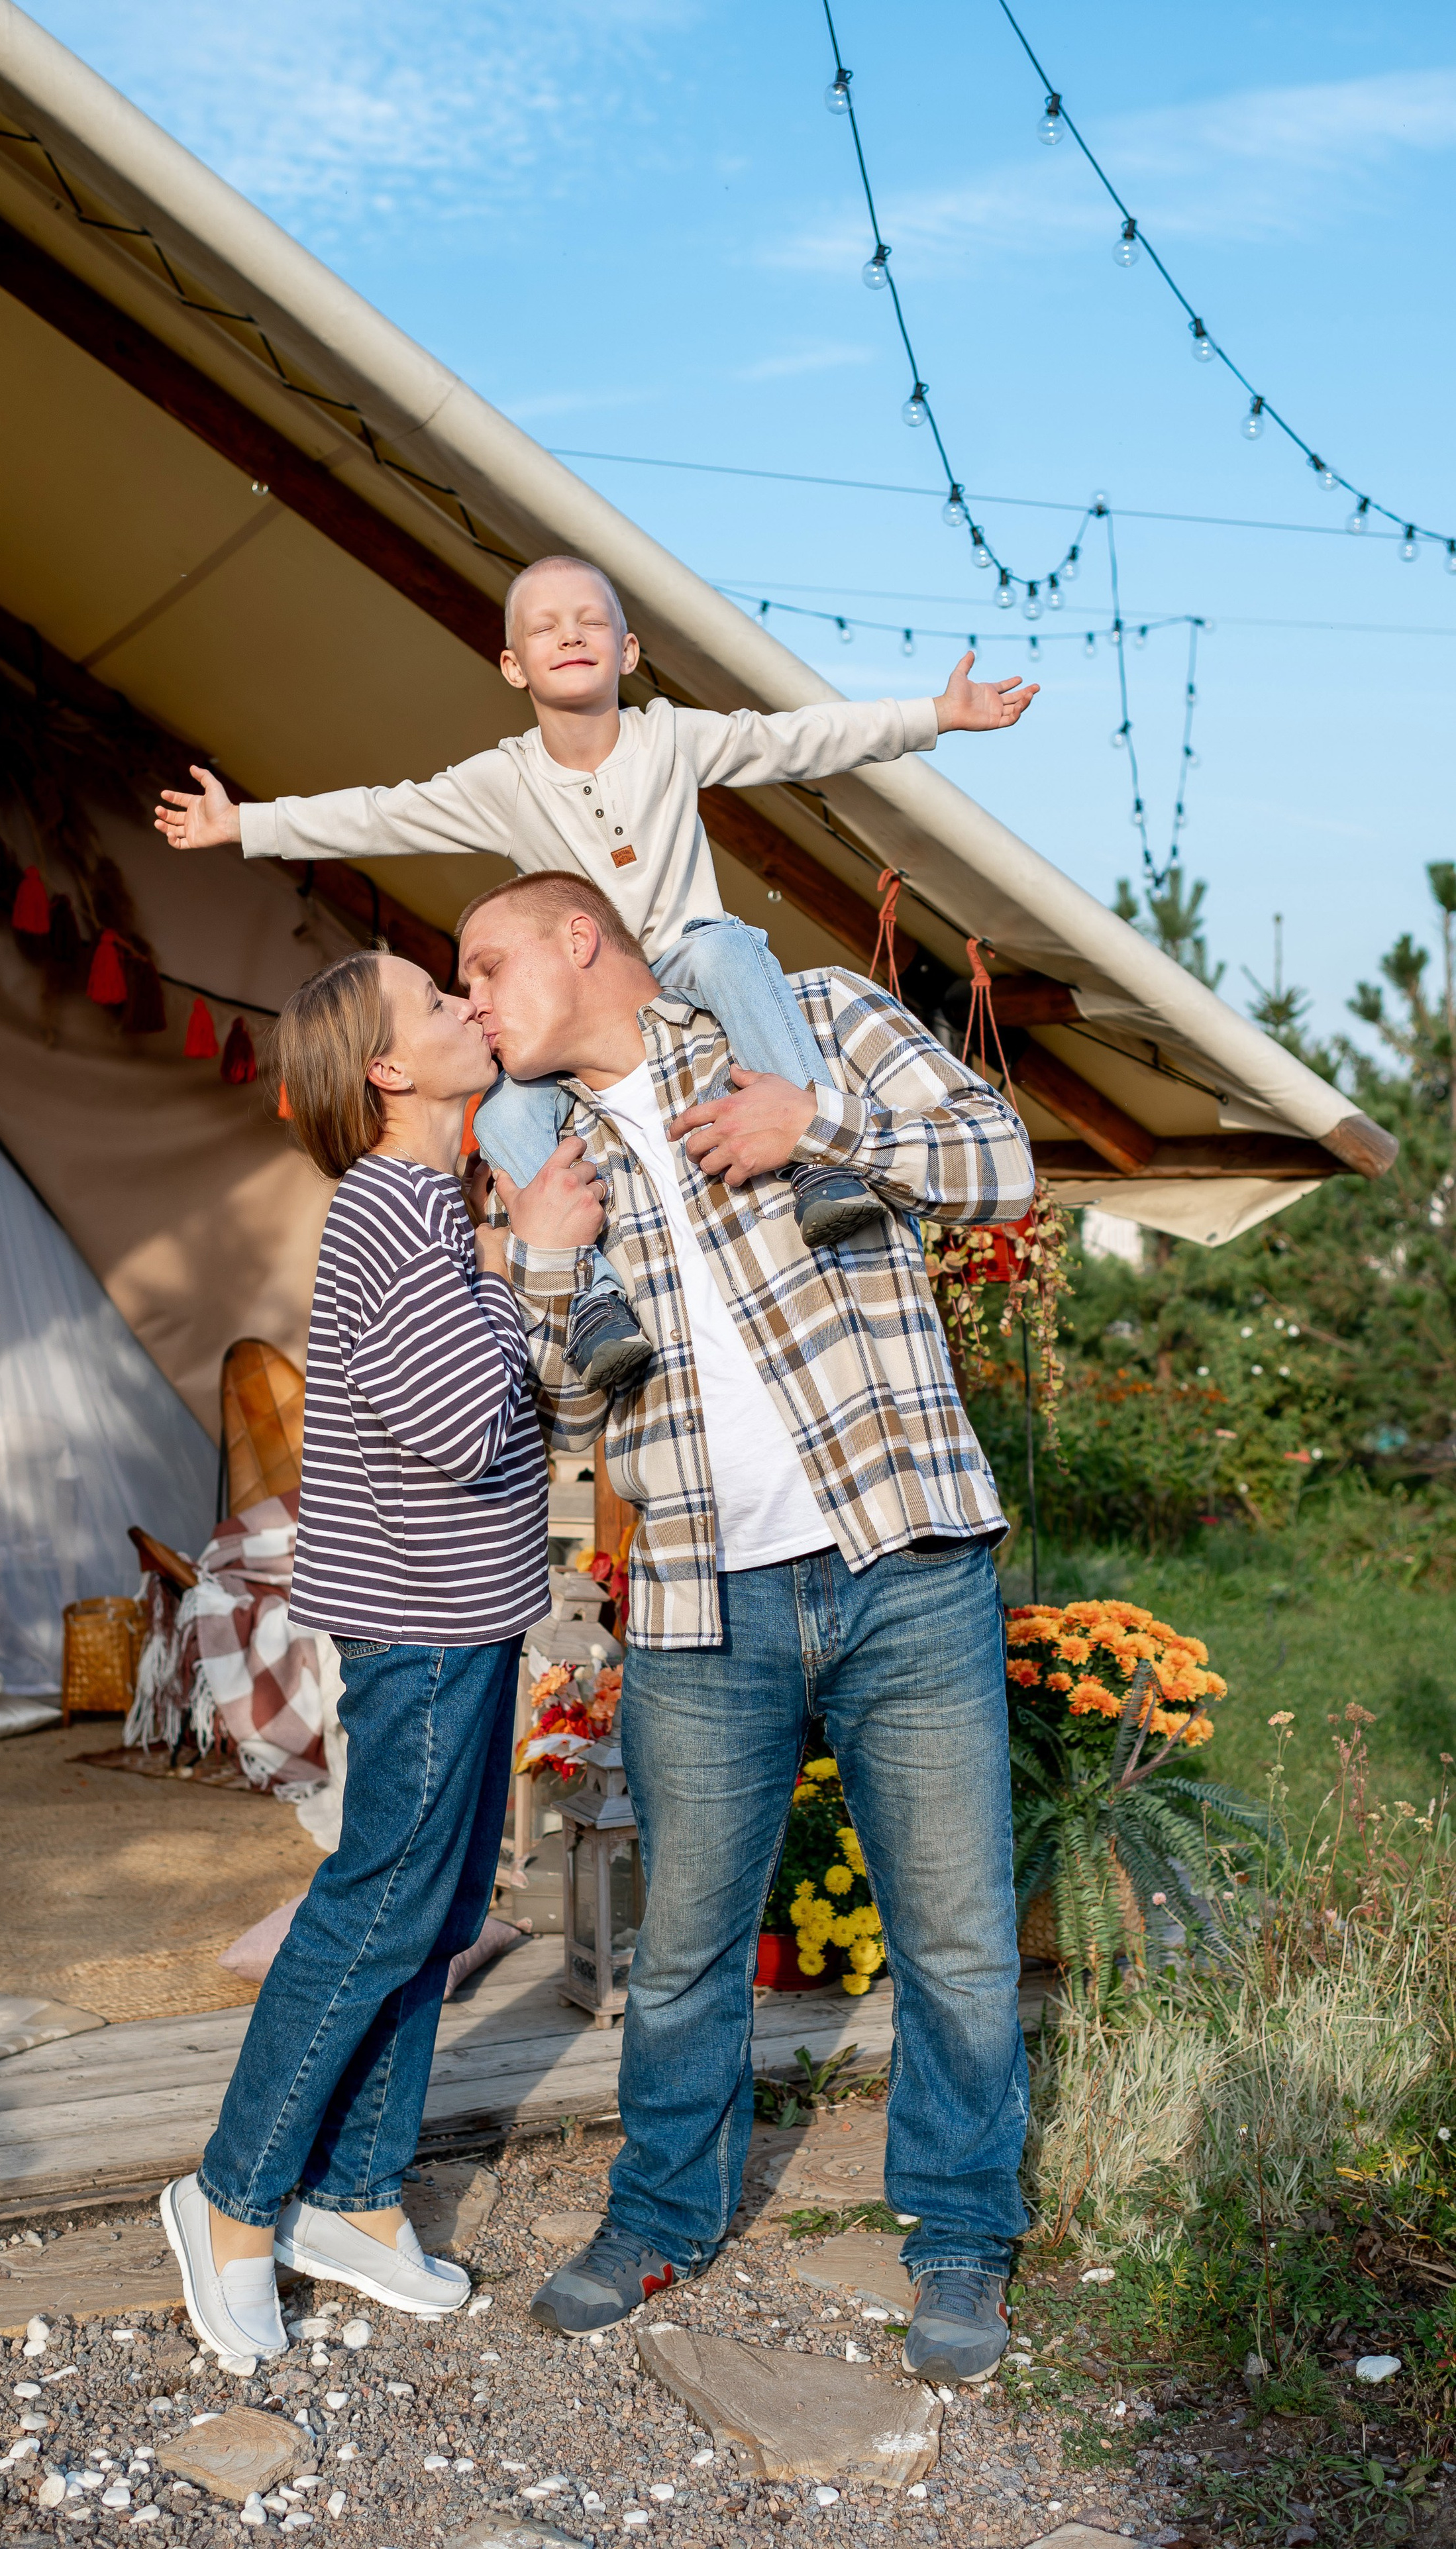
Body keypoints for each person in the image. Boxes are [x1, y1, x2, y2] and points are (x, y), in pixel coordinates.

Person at [456, 870, 1035, 2385]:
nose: (471, 1002)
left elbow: (1002, 1162)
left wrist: (816, 1126)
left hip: (903, 1554)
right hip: (697, 1595)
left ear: (578, 937)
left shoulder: (810, 1020)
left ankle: (961, 2228)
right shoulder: (540, 1153)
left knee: (956, 1938)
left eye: (484, 964)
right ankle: (661, 2211)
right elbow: (561, 1417)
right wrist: (539, 1254)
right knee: (684, 1949)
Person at [154, 556, 1037, 1394]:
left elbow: (801, 738)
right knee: (501, 1114)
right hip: (585, 1010)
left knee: (729, 948)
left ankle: (819, 1165)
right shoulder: (504, 780)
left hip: (689, 964)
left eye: (590, 622)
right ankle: (593, 1302)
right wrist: (245, 826)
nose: (570, 634)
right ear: (512, 665)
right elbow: (382, 814)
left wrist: (935, 715)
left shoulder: (673, 738)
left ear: (629, 651)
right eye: (544, 627)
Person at [160, 948, 572, 2371]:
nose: (469, 1003)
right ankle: (230, 2200)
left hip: (469, 1610)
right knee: (379, 1905)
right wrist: (525, 1260)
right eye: (438, 1001)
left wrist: (498, 1251)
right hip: (424, 1621)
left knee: (436, 1908)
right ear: (388, 1070)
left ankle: (353, 2196)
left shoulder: (428, 1203)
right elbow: (461, 1427)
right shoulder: (388, 1210)